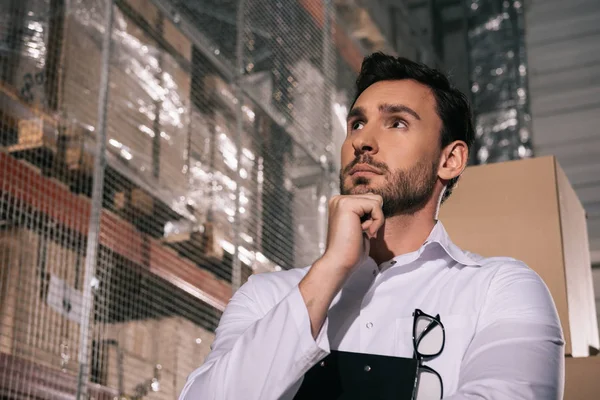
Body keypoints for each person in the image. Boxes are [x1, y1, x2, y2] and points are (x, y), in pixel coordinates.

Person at [179, 52, 564, 399]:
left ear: (450, 160)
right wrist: (331, 269)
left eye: (396, 123)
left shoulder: (499, 291)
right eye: (357, 124)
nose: (364, 140)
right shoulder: (266, 297)